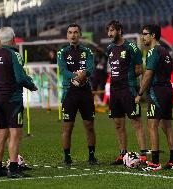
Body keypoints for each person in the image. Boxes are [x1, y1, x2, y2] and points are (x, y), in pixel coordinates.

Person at [0, 27, 37, 178]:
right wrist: (31, 85)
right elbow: (20, 77)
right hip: (13, 99)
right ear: (13, 38)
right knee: (15, 134)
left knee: (1, 132)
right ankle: (13, 169)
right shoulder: (14, 54)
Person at [135, 24, 173, 172]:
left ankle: (155, 162)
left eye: (145, 34)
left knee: (152, 126)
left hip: (157, 91)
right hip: (167, 89)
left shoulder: (153, 51)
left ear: (153, 35)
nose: (142, 37)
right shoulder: (165, 51)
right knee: (167, 126)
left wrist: (140, 93)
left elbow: (148, 74)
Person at [106, 20, 148, 165]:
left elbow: (139, 69)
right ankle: (122, 154)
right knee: (118, 124)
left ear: (119, 31)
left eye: (112, 30)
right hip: (114, 91)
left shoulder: (131, 47)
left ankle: (143, 154)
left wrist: (128, 77)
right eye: (108, 31)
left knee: (136, 122)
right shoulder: (110, 48)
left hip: (128, 90)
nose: (109, 34)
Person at [57, 23, 98, 166]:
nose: (73, 35)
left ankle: (92, 156)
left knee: (89, 126)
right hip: (69, 93)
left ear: (80, 34)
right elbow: (63, 70)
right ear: (67, 35)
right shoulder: (62, 52)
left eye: (75, 32)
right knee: (67, 128)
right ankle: (67, 158)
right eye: (70, 32)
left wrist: (84, 74)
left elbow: (91, 67)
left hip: (85, 93)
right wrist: (75, 76)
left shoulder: (87, 51)